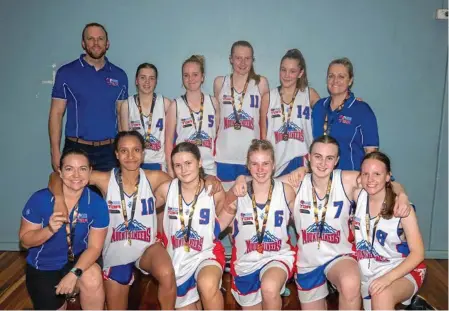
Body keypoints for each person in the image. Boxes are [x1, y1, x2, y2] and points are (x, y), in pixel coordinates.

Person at [50, 131, 177, 310]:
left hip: (146, 247)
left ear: (143, 153)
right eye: (124, 151)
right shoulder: (105, 179)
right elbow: (56, 176)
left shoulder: (155, 177)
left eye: (136, 150)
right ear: (116, 154)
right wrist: (58, 199)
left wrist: (209, 179)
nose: (130, 156)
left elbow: (188, 186)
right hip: (116, 251)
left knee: (166, 272)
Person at [288, 135, 410, 310]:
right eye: (317, 157)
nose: (323, 163)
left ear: (337, 161)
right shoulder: (295, 182)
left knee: (350, 283)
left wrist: (403, 195)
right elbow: (259, 183)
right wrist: (239, 180)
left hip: (339, 255)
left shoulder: (346, 179)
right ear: (308, 157)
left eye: (329, 158)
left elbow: (388, 182)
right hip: (308, 261)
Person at [20, 149, 108, 310]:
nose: (76, 175)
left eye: (82, 169)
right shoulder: (40, 199)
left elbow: (95, 247)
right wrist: (49, 230)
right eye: (69, 169)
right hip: (44, 265)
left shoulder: (97, 203)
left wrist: (74, 273)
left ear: (90, 172)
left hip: (77, 259)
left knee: (93, 276)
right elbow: (25, 242)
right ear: (60, 172)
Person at [218, 139, 296, 310]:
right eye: (255, 164)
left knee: (269, 288)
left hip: (277, 256)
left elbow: (302, 221)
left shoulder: (286, 191)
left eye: (265, 163)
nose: (260, 169)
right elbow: (220, 224)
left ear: (273, 165)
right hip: (246, 263)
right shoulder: (238, 192)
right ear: (248, 165)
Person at [49, 22, 128, 172]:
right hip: (77, 149)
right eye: (90, 39)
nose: (96, 43)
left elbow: (122, 115)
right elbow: (56, 114)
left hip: (110, 152)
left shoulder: (120, 76)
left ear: (107, 43)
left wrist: (125, 150)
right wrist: (55, 152)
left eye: (100, 39)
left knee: (109, 196)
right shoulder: (66, 73)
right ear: (83, 43)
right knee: (74, 195)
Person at [157, 142, 226, 310]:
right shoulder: (166, 190)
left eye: (188, 163)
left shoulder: (214, 191)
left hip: (206, 252)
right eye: (178, 165)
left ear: (199, 162)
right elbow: (145, 213)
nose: (184, 169)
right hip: (177, 258)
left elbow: (221, 219)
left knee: (208, 284)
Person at [353, 151, 426, 310]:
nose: (370, 179)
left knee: (382, 295)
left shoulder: (401, 209)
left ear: (388, 177)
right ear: (360, 176)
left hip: (401, 270)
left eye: (377, 174)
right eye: (366, 174)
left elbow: (418, 253)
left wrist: (388, 278)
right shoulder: (357, 195)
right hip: (369, 272)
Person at [213, 40, 269, 189]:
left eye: (247, 58)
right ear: (231, 59)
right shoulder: (220, 83)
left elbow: (264, 120)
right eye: (238, 58)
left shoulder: (261, 83)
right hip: (224, 156)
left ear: (253, 60)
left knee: (249, 206)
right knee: (225, 204)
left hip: (251, 158)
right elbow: (217, 119)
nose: (243, 63)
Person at [261, 48, 320, 177]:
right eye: (283, 70)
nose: (287, 75)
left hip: (303, 163)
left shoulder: (310, 95)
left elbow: (330, 110)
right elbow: (263, 136)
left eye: (292, 71)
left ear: (300, 73)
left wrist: (347, 99)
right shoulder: (268, 97)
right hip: (277, 164)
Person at [311, 57, 379, 171]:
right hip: (321, 178)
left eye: (341, 76)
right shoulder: (319, 107)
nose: (335, 80)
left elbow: (371, 154)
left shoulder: (362, 110)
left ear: (350, 80)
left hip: (351, 180)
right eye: (331, 76)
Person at [166, 55, 219, 177]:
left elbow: (215, 134)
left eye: (195, 74)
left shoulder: (213, 102)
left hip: (209, 168)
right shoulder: (175, 105)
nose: (190, 79)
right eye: (186, 75)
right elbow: (168, 141)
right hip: (185, 169)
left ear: (202, 77)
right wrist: (170, 169)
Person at [120, 63, 171, 171]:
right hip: (135, 163)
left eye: (151, 78)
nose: (147, 82)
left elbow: (170, 138)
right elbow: (124, 141)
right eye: (143, 77)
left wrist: (170, 166)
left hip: (159, 163)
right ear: (136, 80)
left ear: (156, 82)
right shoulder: (127, 105)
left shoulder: (165, 103)